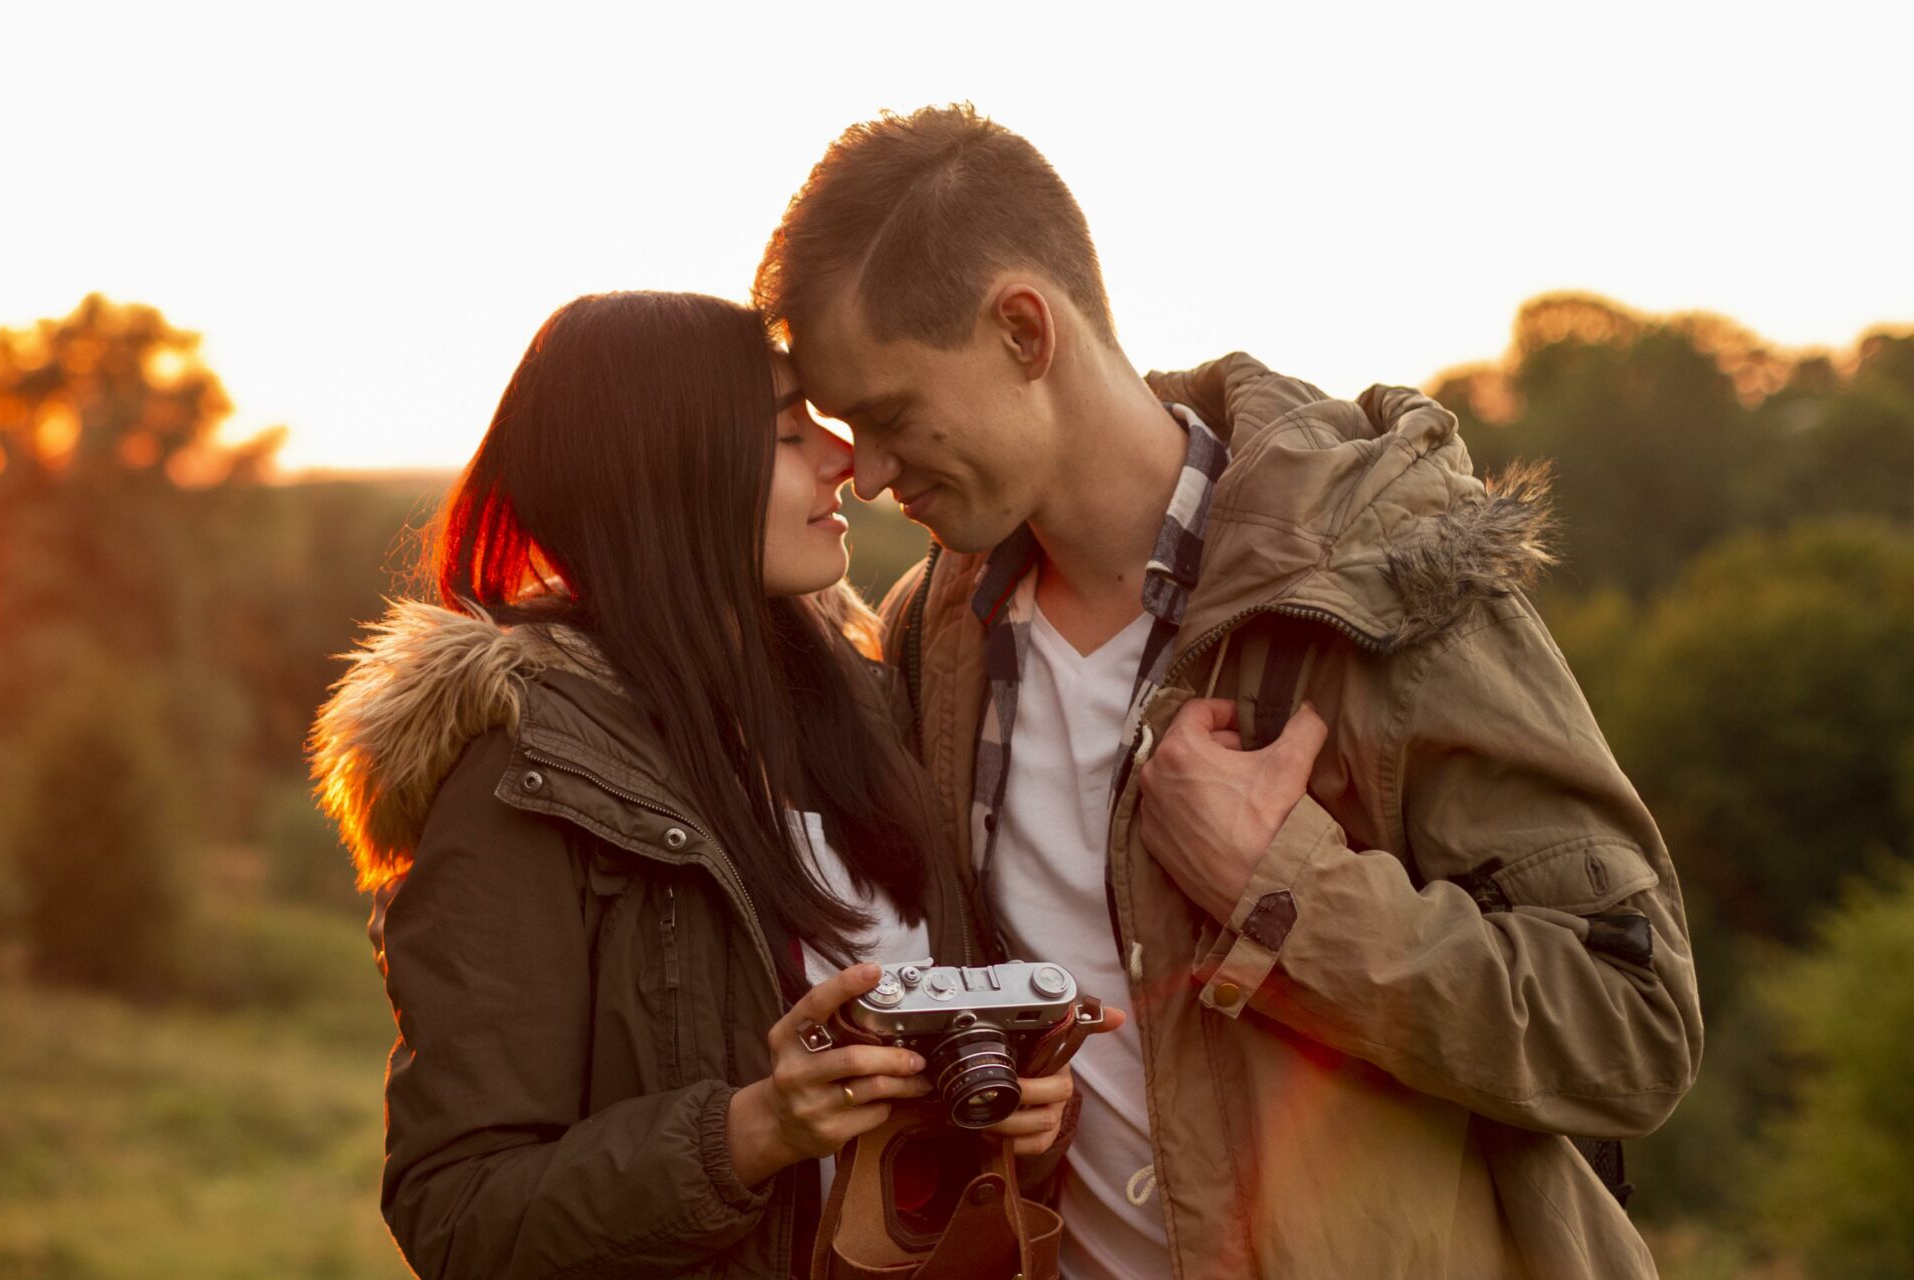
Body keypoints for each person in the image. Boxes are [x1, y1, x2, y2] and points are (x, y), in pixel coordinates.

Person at [751, 105, 1703, 1279]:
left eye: (891, 416)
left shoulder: (1380, 585)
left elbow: (1633, 1025)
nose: (874, 470)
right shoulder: (933, 638)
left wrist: (1281, 889)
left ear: (1021, 329)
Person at [307, 291, 1105, 1279]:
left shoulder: (870, 715)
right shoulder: (526, 776)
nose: (842, 456)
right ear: (666, 478)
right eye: (783, 432)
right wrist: (748, 1131)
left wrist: (1018, 1110)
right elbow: (460, 1214)